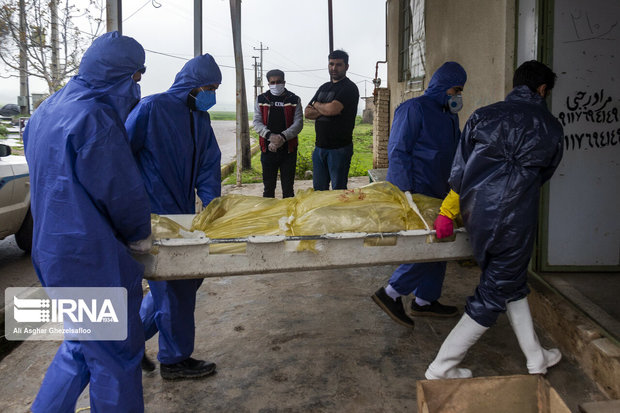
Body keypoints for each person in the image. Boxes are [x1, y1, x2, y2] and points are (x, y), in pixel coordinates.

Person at [24, 31, 152, 412]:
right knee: (116, 358)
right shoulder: (94, 117)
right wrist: (140, 234)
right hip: (91, 259)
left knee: (81, 345)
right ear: (119, 74)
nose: (136, 88)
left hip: (52, 253)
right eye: (136, 77)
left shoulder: (46, 109)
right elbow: (120, 192)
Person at [425, 60, 564, 379]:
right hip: (515, 220)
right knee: (492, 295)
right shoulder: (552, 128)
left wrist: (450, 210)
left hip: (477, 216)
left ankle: (535, 358)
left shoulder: (482, 116)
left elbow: (459, 173)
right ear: (542, 90)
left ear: (516, 85)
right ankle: (441, 368)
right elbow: (544, 175)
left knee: (510, 284)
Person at [126, 53, 222, 380]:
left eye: (216, 89)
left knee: (187, 279)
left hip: (181, 215)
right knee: (173, 288)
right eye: (209, 87)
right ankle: (174, 360)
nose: (212, 95)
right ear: (191, 86)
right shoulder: (152, 109)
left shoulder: (200, 120)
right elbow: (122, 155)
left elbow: (209, 168)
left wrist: (212, 208)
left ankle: (129, 342)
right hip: (152, 214)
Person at [371, 62, 467, 328]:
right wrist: (404, 191)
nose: (457, 95)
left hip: (440, 189)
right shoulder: (414, 109)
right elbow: (398, 150)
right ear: (440, 85)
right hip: (417, 190)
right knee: (429, 246)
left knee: (441, 243)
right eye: (455, 89)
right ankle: (391, 293)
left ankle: (425, 300)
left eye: (460, 91)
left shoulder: (449, 114)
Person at [305, 49, 359, 190]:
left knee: (338, 191)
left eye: (338, 64)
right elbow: (307, 112)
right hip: (320, 148)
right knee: (319, 190)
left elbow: (332, 110)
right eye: (331, 64)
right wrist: (325, 110)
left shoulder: (349, 88)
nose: (334, 68)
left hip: (339, 149)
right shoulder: (324, 87)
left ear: (346, 66)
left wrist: (316, 104)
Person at [253, 69, 303, 198]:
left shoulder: (294, 99)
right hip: (268, 149)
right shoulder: (261, 99)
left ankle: (289, 217)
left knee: (288, 189)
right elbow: (257, 122)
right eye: (272, 82)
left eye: (279, 82)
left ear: (284, 82)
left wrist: (282, 137)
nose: (276, 84)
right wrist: (270, 136)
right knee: (268, 188)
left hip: (288, 150)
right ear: (268, 84)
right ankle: (269, 216)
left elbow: (298, 123)